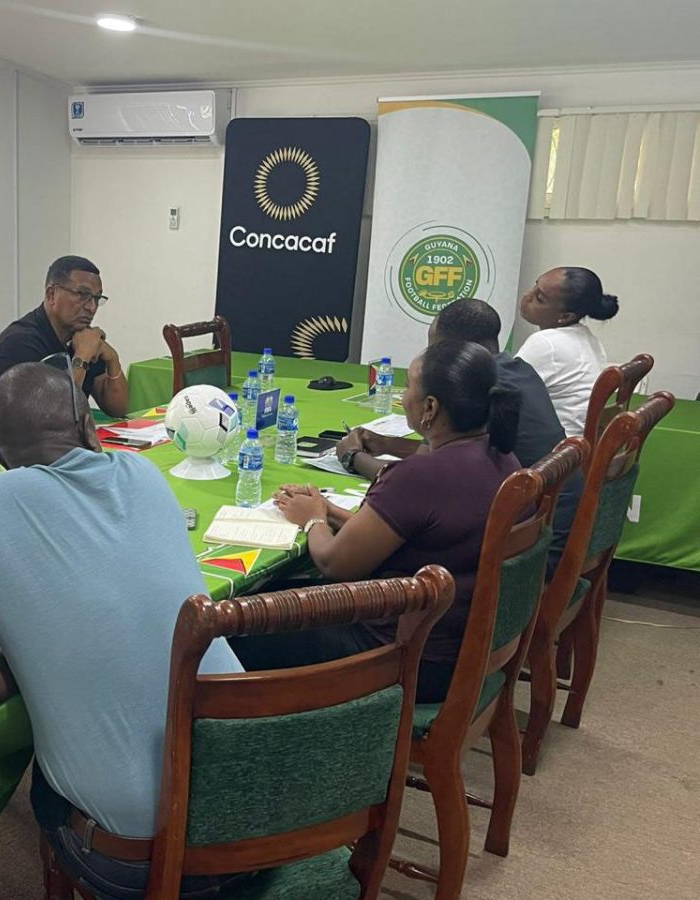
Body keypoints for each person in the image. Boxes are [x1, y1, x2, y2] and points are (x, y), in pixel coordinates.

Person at [0, 362, 246, 899]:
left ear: (0, 459)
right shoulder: (145, 475)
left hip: (135, 858)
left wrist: (26, 653)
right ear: (91, 431)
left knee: (43, 783)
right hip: (263, 815)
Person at [232, 341, 522, 703]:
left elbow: (334, 564)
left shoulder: (421, 475)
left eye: (409, 389)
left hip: (404, 658)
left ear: (430, 407)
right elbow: (412, 532)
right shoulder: (505, 459)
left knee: (240, 622)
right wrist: (328, 509)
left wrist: (313, 521)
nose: (403, 399)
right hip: (460, 651)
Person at [338, 298, 579, 567]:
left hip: (521, 560)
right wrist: (388, 444)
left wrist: (353, 457)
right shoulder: (514, 373)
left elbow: (421, 481)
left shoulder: (468, 387)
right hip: (536, 542)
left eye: (436, 349)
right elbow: (451, 457)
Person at [0, 255, 129, 451]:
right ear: (52, 295)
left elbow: (118, 409)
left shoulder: (80, 336)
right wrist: (82, 357)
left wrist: (113, 359)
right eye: (82, 295)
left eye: (96, 298)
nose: (92, 307)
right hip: (5, 454)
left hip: (56, 446)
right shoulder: (19, 342)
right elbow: (49, 417)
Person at [515, 266, 618, 437]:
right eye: (535, 286)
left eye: (539, 298)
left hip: (556, 452)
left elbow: (502, 395)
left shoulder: (546, 343)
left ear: (566, 316)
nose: (527, 296)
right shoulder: (587, 337)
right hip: (576, 447)